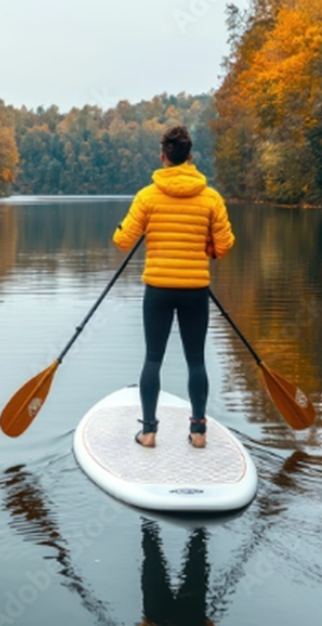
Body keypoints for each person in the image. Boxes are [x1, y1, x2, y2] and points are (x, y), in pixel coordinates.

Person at [113, 125, 235, 449]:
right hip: (195, 289)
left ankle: (149, 432)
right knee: (196, 360)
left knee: (153, 359)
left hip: (159, 290)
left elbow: (123, 241)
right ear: (190, 156)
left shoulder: (147, 197)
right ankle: (198, 433)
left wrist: (130, 228)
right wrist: (205, 246)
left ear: (162, 156)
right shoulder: (211, 198)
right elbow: (224, 246)